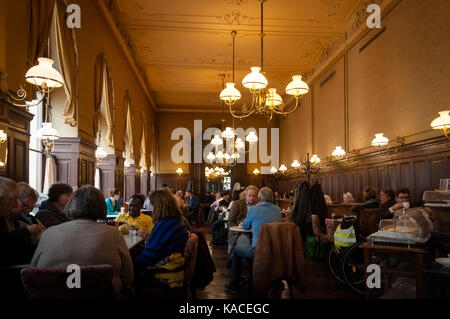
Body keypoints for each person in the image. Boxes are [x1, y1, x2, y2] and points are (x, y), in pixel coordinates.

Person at [31, 186, 134, 297]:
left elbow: (34, 270)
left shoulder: (49, 233)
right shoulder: (114, 234)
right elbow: (128, 276)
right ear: (102, 207)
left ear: (71, 205)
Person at [224, 187, 282, 293]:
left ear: (259, 197)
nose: (252, 198)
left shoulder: (254, 209)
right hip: (275, 250)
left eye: (255, 196)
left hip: (258, 250)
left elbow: (246, 226)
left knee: (237, 250)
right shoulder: (278, 210)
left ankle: (234, 284)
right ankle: (267, 281)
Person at [137, 190, 189, 288]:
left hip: (164, 275)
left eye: (151, 204)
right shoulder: (175, 221)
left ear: (158, 206)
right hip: (174, 269)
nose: (149, 207)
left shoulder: (164, 225)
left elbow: (147, 259)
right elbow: (161, 245)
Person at [0, 178, 43, 266]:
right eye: (14, 200)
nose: (15, 204)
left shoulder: (14, 219)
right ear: (1, 199)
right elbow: (4, 248)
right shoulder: (4, 218)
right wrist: (26, 231)